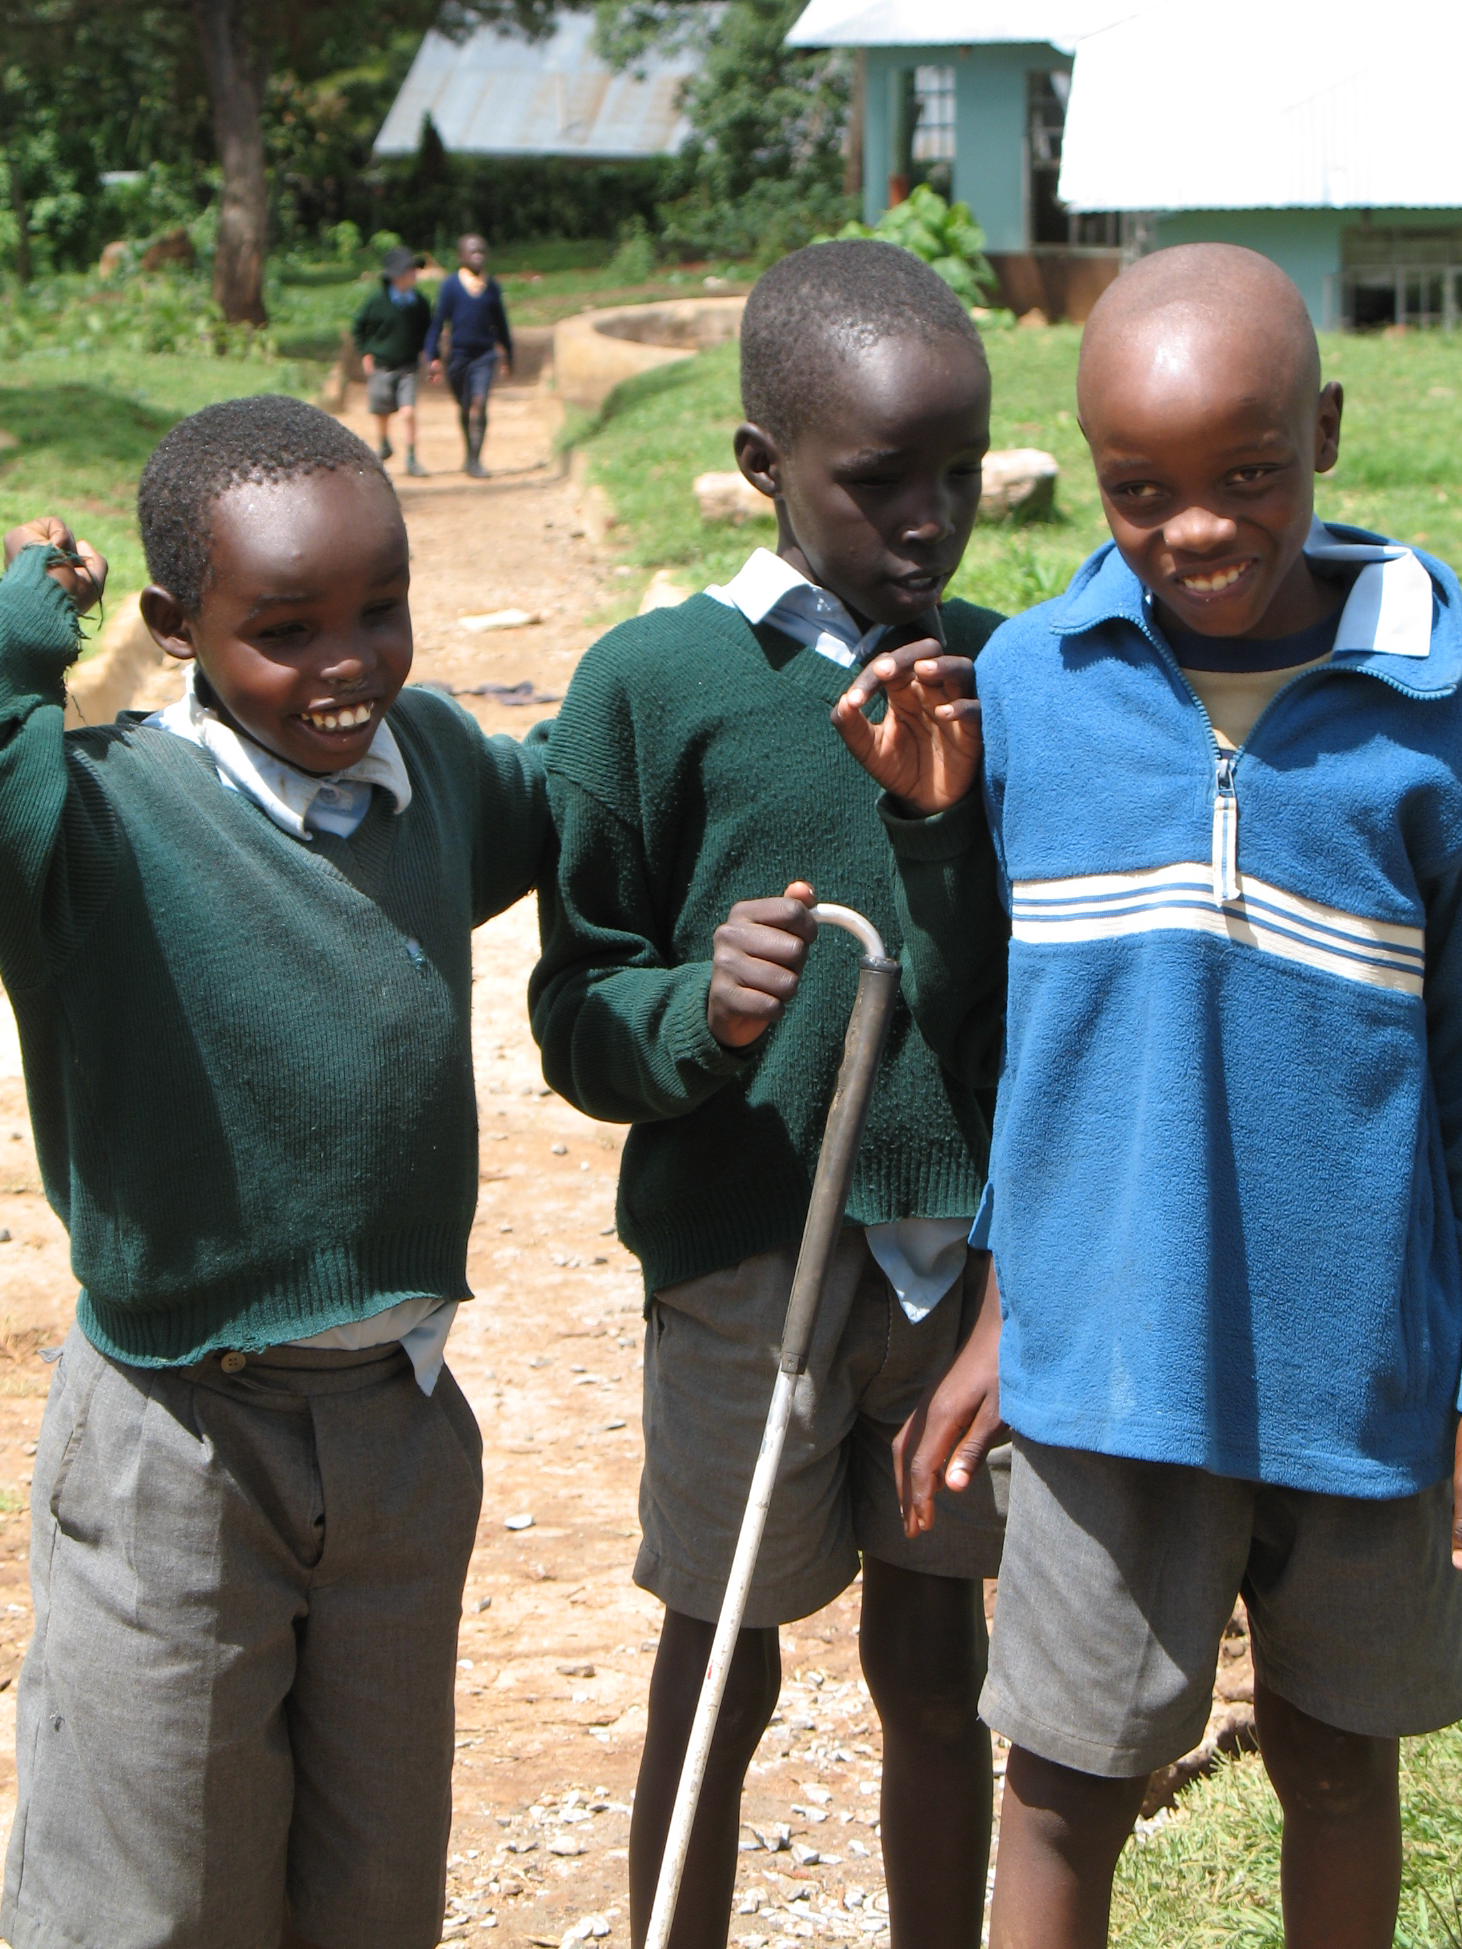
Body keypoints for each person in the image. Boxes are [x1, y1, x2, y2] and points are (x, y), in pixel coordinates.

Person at [837, 243, 1462, 1949]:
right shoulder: (1039, 685)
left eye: (1249, 475)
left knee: (1340, 1767)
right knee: (1063, 1781)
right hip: (1110, 1349)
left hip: (1360, 1363)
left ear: (1327, 430)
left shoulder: (1440, 704)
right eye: (1139, 489)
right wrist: (994, 1307)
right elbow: (1005, 1023)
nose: (1196, 527)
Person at [0, 396, 552, 1949]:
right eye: (284, 629)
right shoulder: (99, 818)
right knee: (151, 1893)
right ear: (175, 627)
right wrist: (24, 612)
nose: (347, 665)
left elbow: (566, 807)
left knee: (372, 1881)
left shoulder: (437, 771)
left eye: (379, 610)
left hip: (397, 1429)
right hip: (175, 1440)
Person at [530, 240, 1008, 1949]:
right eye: (879, 481)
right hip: (750, 1264)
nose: (928, 521)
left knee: (939, 1666)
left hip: (952, 1280)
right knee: (718, 1653)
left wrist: (943, 829)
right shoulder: (656, 688)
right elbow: (572, 1008)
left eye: (958, 475)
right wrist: (693, 1010)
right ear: (761, 466)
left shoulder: (1000, 676)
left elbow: (1009, 997)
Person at [425, 233, 512, 478]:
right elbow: (438, 321)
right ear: (461, 256)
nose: (478, 257)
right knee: (464, 407)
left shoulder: (491, 287)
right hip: (458, 356)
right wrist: (432, 355)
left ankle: (476, 459)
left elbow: (501, 324)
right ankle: (468, 452)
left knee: (480, 402)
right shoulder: (451, 286)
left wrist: (508, 355)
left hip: (484, 356)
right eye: (473, 252)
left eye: (482, 252)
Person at [353, 242, 432, 477]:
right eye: (409, 270)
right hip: (382, 365)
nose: (414, 274)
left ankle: (411, 456)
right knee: (383, 410)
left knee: (408, 412)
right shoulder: (377, 303)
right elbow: (360, 327)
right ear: (396, 275)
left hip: (407, 365)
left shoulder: (419, 304)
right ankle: (384, 442)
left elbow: (427, 333)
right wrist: (365, 351)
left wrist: (431, 356)